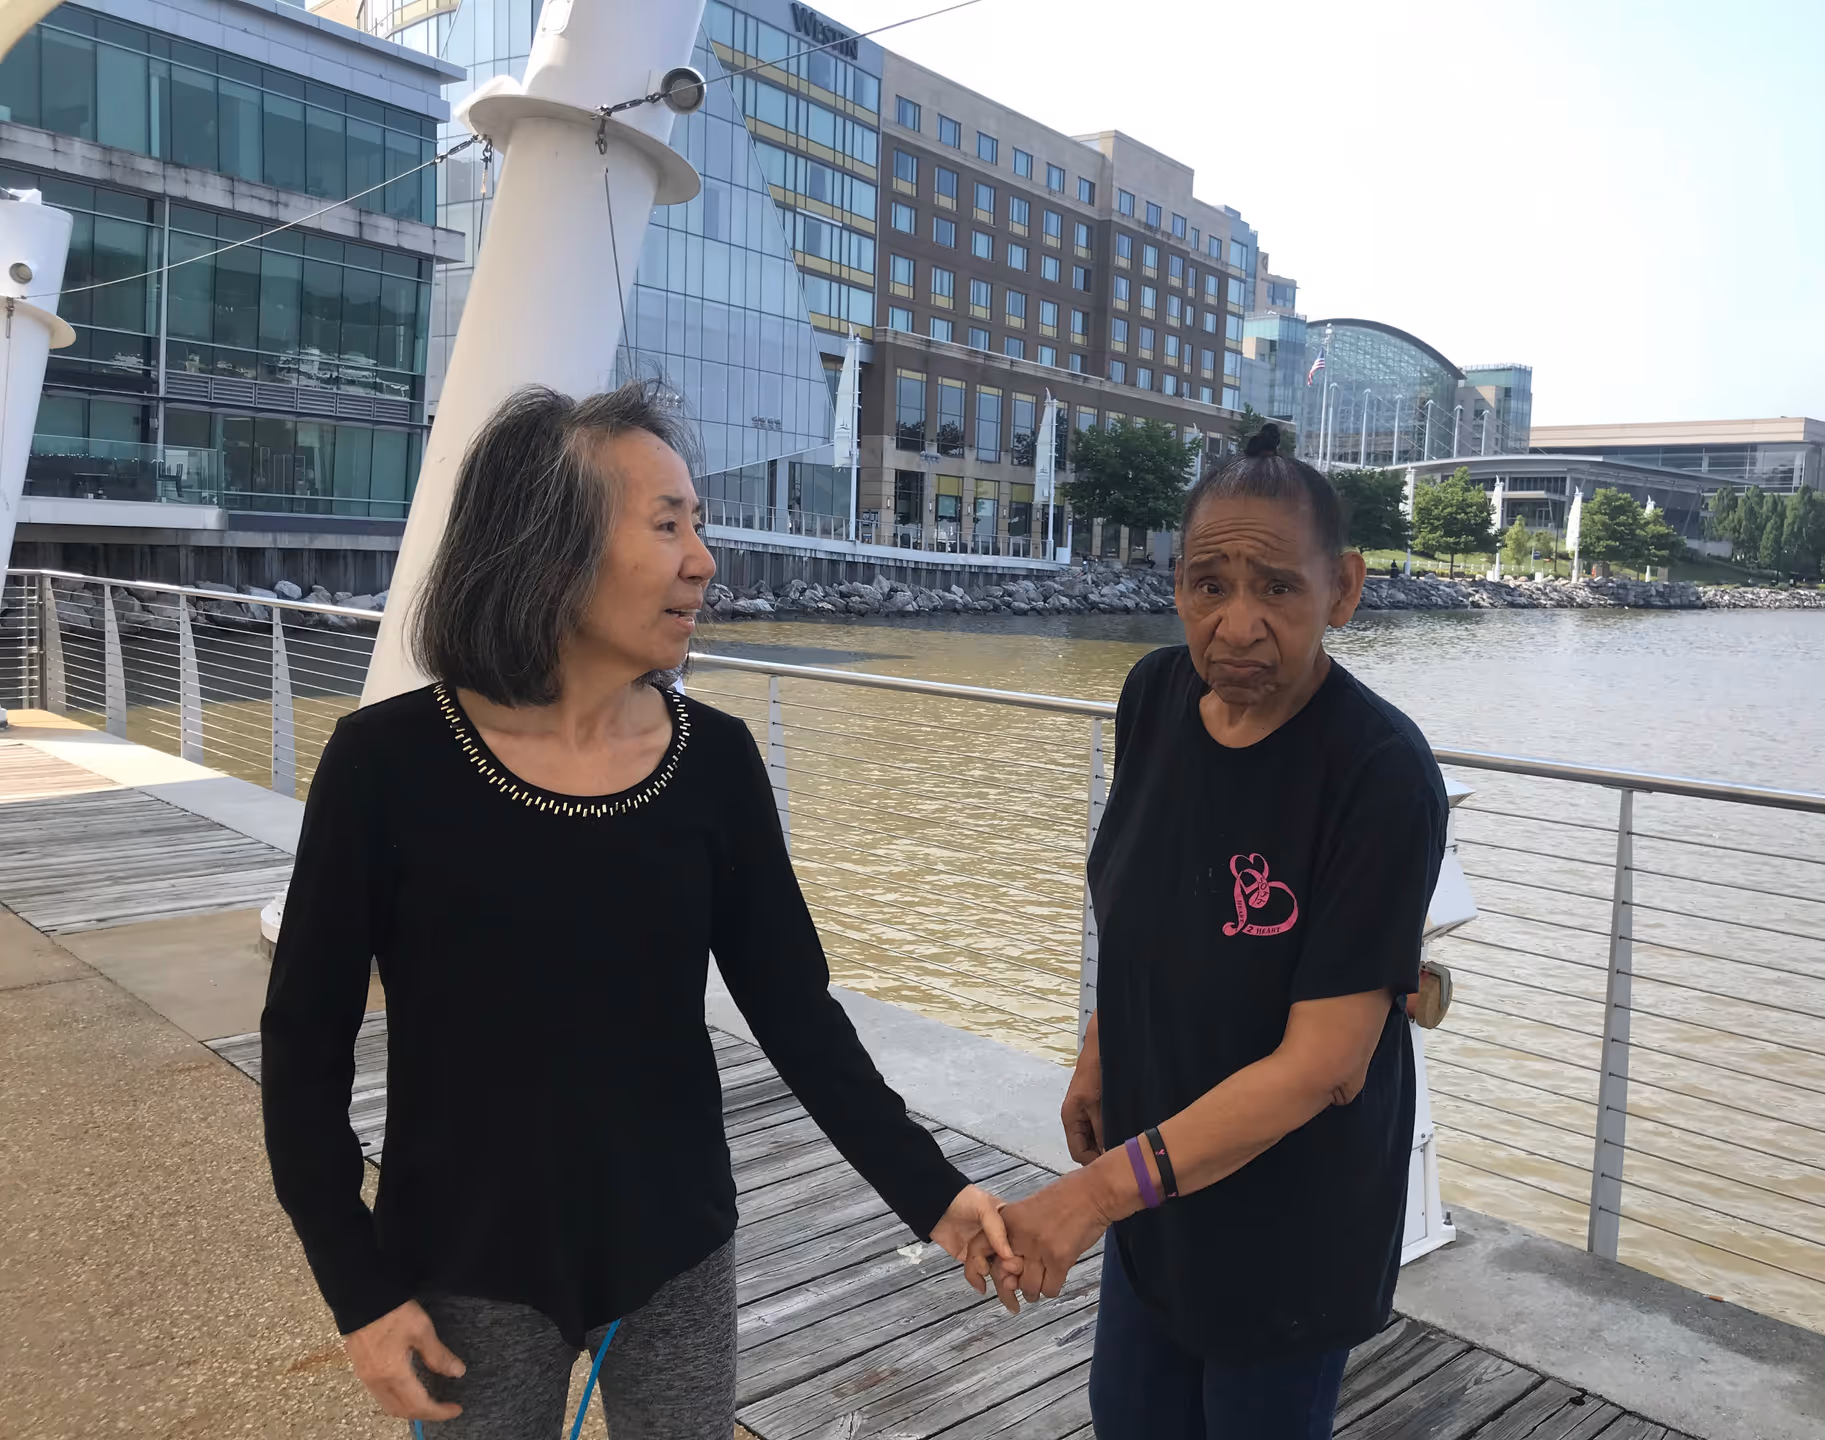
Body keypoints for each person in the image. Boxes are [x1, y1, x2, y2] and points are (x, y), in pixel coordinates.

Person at [262, 381, 1010, 1438]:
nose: (703, 560)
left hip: (677, 1254)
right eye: (667, 526)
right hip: (464, 1265)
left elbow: (797, 1014)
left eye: (697, 525)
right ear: (550, 545)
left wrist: (932, 1192)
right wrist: (359, 1291)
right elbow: (303, 1047)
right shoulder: (385, 766)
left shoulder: (717, 764)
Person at [973, 423, 1446, 1439]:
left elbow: (1325, 1066)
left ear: (1344, 590)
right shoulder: (1153, 696)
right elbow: (1144, 910)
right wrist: (1101, 1049)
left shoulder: (1378, 773)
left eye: (1277, 587)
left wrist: (1091, 1197)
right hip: (1161, 1185)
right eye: (1208, 584)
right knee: (1128, 1417)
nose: (1237, 624)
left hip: (1290, 1224)